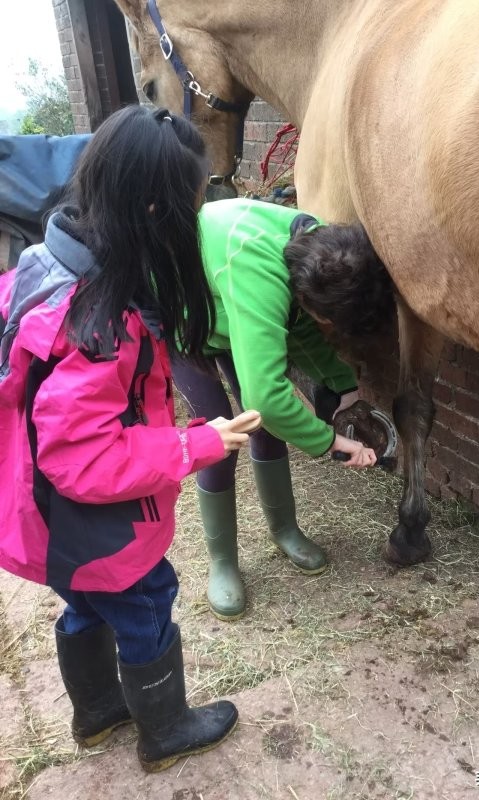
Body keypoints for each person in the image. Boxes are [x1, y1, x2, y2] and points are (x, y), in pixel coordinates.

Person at [0, 106, 261, 774]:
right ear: (150, 208)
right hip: (93, 521)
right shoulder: (98, 325)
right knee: (145, 602)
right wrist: (196, 443)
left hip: (42, 514)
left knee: (85, 602)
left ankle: (96, 714)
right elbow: (84, 457)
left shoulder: (40, 259)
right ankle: (165, 730)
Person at [172, 197, 381, 622]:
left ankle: (285, 530)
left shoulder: (322, 245)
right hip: (185, 323)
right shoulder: (258, 271)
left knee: (265, 429)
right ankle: (224, 562)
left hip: (230, 312)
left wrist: (346, 392)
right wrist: (331, 443)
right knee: (220, 438)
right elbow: (266, 396)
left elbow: (302, 327)